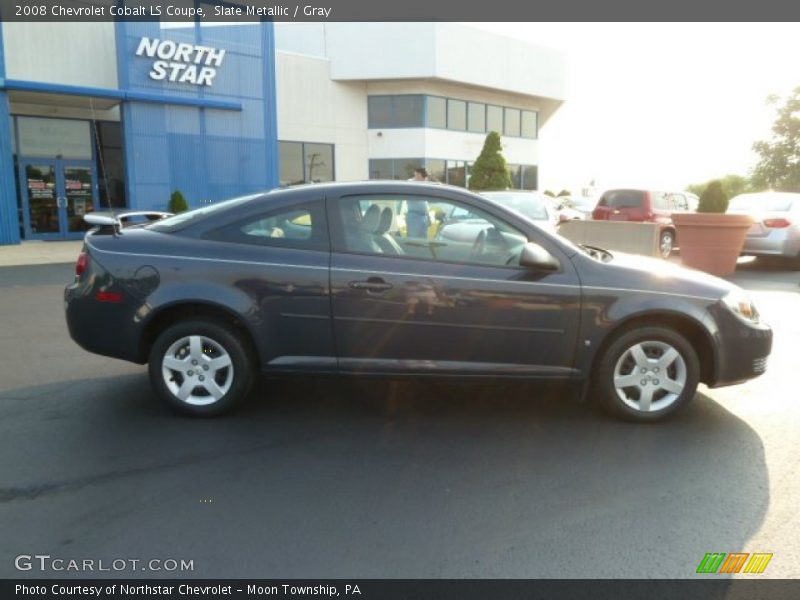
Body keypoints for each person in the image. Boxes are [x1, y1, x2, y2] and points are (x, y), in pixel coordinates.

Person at [406, 167, 432, 237]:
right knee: (413, 240)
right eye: (423, 177)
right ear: (417, 174)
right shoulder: (410, 182)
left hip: (424, 216)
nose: (424, 179)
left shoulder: (423, 184)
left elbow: (424, 202)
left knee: (423, 242)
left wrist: (428, 217)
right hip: (414, 216)